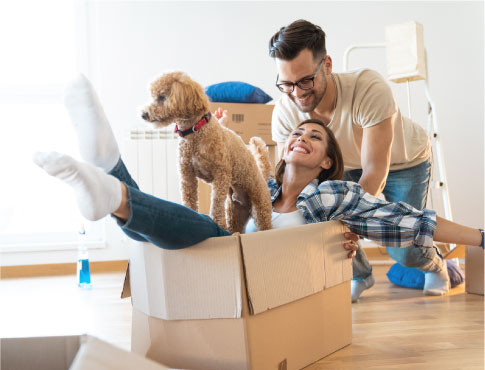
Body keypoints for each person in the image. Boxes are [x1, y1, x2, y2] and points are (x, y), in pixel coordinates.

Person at [32, 75, 484, 274]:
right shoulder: (263, 187)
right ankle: (109, 173)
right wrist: (218, 138)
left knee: (207, 231)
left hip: (254, 271)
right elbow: (216, 172)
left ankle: (112, 179)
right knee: (175, 232)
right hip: (219, 261)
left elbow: (411, 219)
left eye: (316, 138)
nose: (301, 138)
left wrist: (479, 238)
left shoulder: (333, 198)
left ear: (328, 161)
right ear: (284, 148)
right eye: (297, 134)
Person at [268, 19, 447, 300]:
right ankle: (361, 275)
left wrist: (352, 223)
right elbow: (290, 178)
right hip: (344, 165)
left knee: (403, 247)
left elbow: (376, 170)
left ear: (326, 65)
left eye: (305, 81)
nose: (298, 93)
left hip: (403, 161)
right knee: (319, 219)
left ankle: (437, 265)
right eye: (287, 84)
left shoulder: (368, 89)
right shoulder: (285, 111)